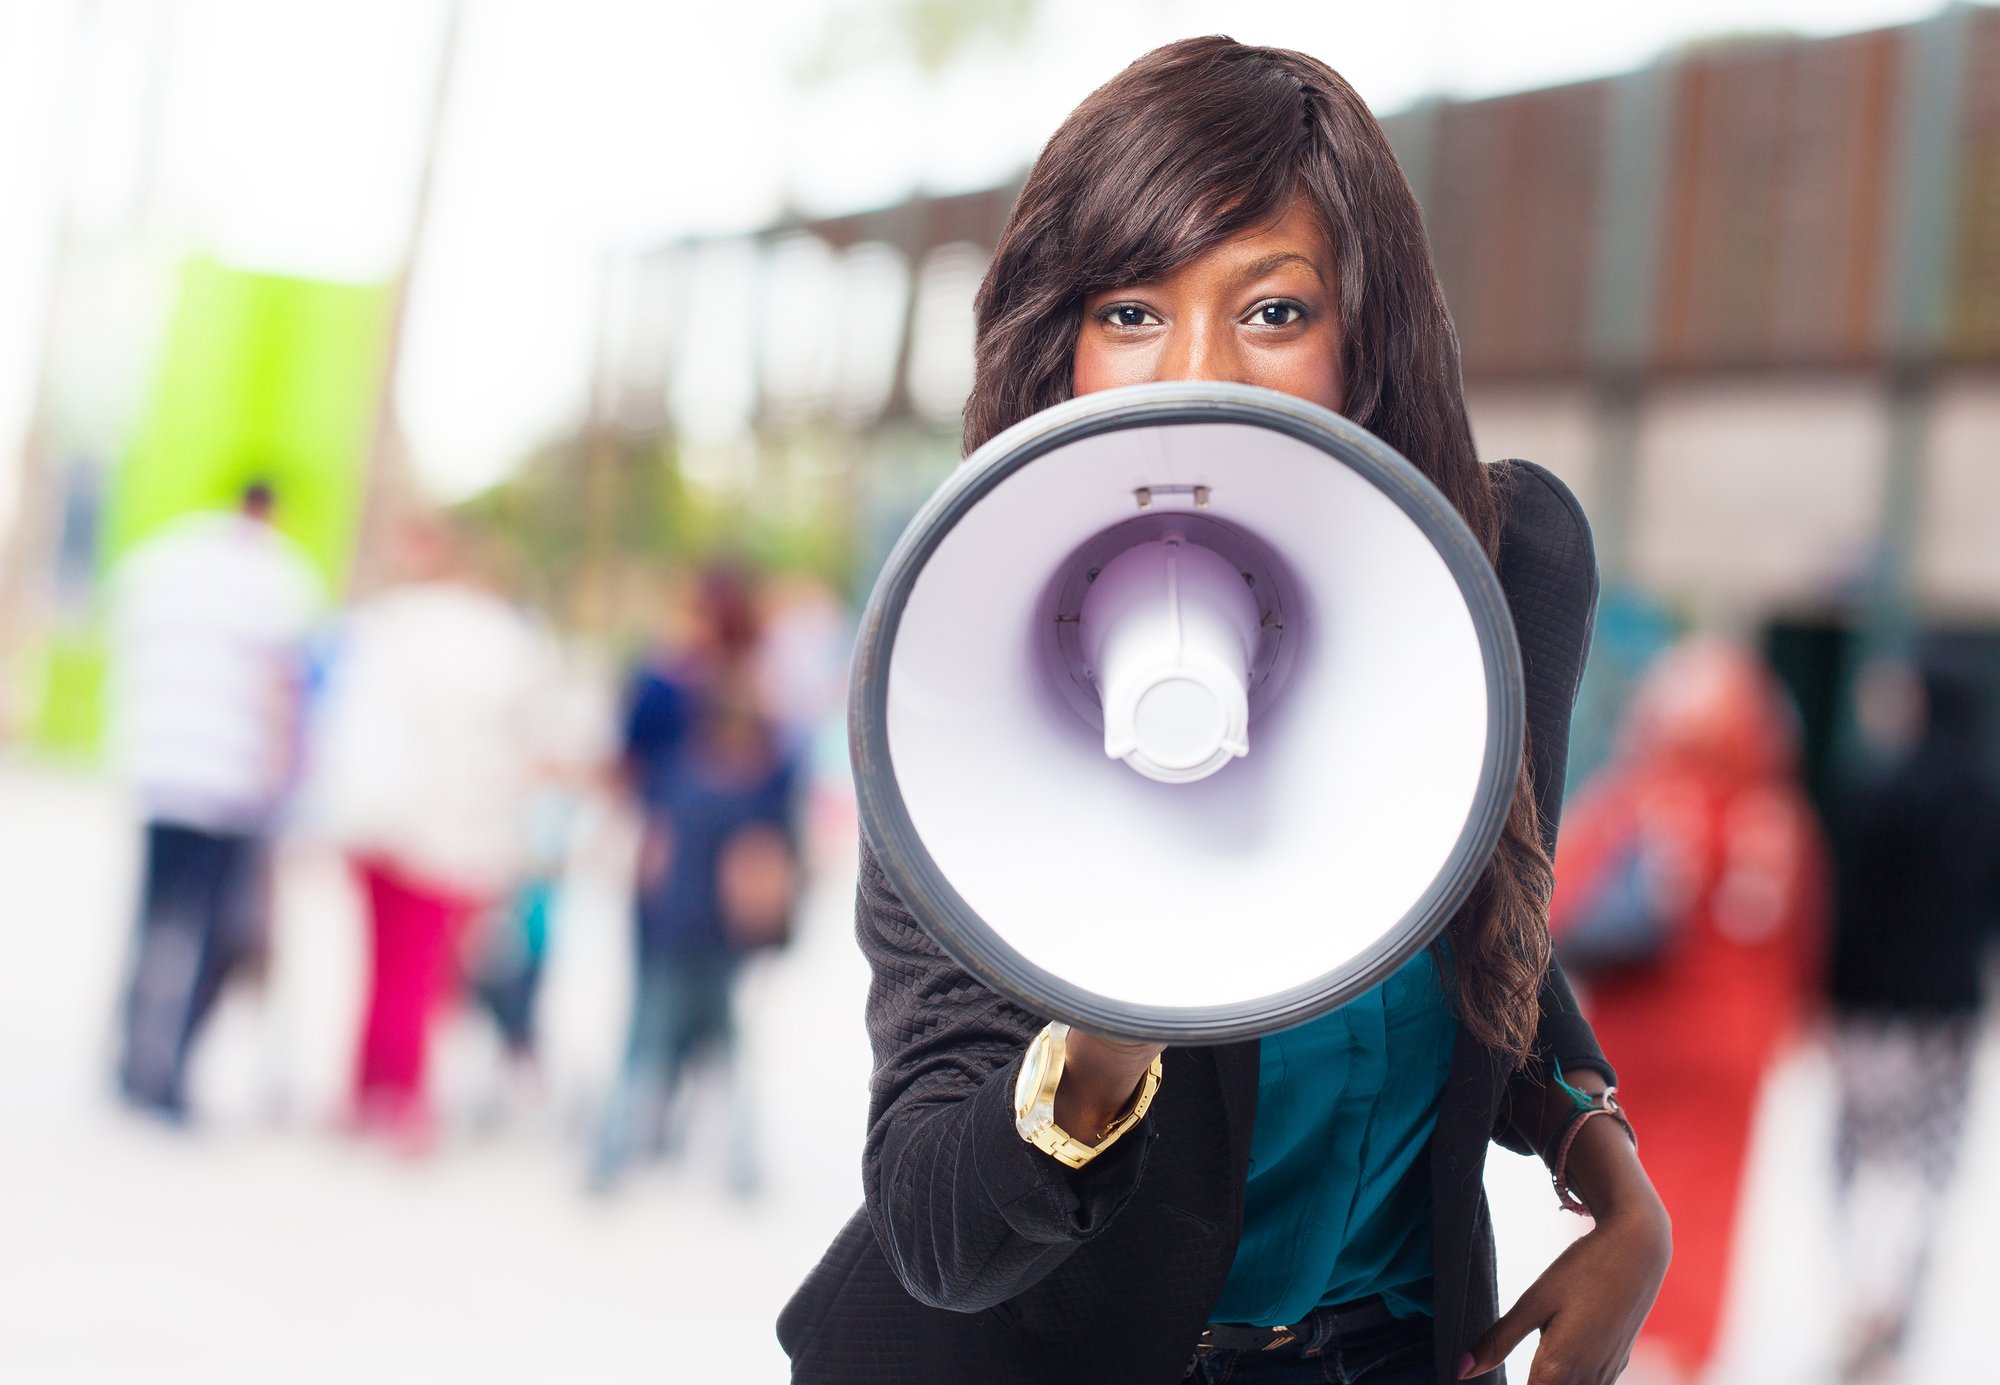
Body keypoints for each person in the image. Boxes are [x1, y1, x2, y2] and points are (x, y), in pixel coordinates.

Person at [780, 38, 1669, 1385]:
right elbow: (935, 1226)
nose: (1199, 374)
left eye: (1273, 312)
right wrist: (1098, 1045)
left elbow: (1489, 893)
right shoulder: (959, 659)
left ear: (1370, 335)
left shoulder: (1500, 565)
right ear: (1059, 345)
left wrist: (1608, 1172)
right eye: (1131, 312)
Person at [1549, 639, 1825, 1383]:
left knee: (1619, 1194)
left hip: (1636, 1041)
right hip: (1736, 1045)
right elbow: (1801, 941)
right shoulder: (1780, 819)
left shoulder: (1635, 800)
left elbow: (1560, 908)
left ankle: (1615, 1344)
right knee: (1711, 1206)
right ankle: (1683, 1352)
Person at [309, 517, 554, 1149]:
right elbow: (523, 742)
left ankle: (369, 1088)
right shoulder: (502, 642)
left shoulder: (384, 626)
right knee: (421, 974)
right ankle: (405, 1099)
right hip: (451, 830)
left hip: (375, 820)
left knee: (381, 966)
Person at [107, 480, 320, 1121]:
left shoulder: (163, 562)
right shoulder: (276, 577)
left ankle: (129, 1060)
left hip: (159, 769)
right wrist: (289, 777)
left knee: (153, 919)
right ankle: (169, 1070)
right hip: (230, 782)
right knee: (210, 933)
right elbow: (281, 686)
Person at [590, 564, 802, 1195]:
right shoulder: (756, 732)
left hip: (678, 919)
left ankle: (621, 1152)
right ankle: (725, 1162)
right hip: (711, 926)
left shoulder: (680, 736)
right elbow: (768, 852)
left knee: (653, 1034)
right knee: (722, 1043)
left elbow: (641, 801)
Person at [1825, 649, 2000, 1383]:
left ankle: (1864, 1301)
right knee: (1929, 1167)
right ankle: (1899, 1315)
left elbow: (1850, 908)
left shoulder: (1881, 787)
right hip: (1951, 1017)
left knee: (1859, 1161)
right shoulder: (1988, 796)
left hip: (1874, 1013)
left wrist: (1826, 1000)